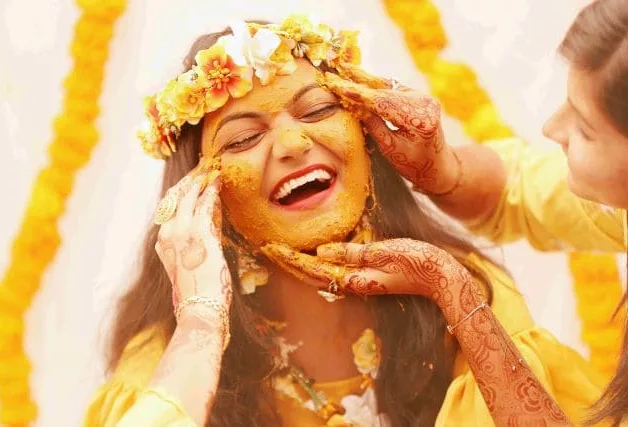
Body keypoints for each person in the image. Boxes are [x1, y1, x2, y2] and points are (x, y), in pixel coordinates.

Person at [84, 16, 602, 426]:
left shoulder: (466, 295)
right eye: (243, 140)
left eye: (315, 112)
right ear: (199, 195)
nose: (292, 144)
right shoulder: (166, 367)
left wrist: (456, 293)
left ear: (368, 138)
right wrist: (200, 327)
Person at [332, 0, 627, 425]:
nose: (552, 129)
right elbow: (519, 188)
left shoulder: (488, 297)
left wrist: (458, 295)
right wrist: (440, 168)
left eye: (584, 128)